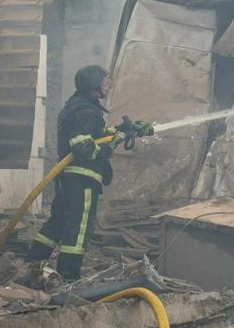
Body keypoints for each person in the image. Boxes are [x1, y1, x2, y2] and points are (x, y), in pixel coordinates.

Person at [26, 65, 151, 280]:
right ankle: (68, 276)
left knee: (59, 221)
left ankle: (33, 263)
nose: (108, 86)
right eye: (105, 83)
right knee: (78, 228)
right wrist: (114, 143)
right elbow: (84, 149)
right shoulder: (86, 112)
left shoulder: (79, 106)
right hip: (82, 180)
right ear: (93, 86)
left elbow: (96, 136)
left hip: (69, 178)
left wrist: (124, 130)